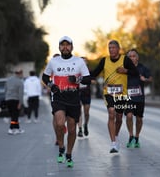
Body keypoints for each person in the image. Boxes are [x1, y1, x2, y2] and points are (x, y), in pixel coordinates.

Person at [42, 36, 91, 167]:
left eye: (67, 45)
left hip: (73, 98)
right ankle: (61, 147)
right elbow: (45, 76)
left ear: (71, 47)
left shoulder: (79, 61)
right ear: (59, 47)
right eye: (62, 45)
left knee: (72, 129)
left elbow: (87, 79)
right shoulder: (53, 61)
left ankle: (68, 154)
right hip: (59, 97)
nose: (65, 47)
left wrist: (76, 80)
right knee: (59, 123)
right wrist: (51, 85)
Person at [91, 40, 139, 153]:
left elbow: (136, 72)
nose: (111, 50)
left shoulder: (125, 60)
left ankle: (116, 135)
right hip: (109, 92)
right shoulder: (104, 60)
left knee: (119, 117)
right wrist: (83, 76)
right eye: (109, 48)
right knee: (111, 113)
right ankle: (113, 143)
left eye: (113, 48)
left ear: (118, 49)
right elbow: (95, 73)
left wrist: (125, 70)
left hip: (122, 94)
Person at [124, 49, 152, 148]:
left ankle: (137, 137)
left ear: (137, 58)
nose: (132, 58)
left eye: (133, 56)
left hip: (140, 98)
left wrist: (145, 79)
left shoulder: (143, 68)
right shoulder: (124, 68)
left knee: (139, 119)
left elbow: (150, 78)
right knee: (129, 116)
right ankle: (131, 136)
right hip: (128, 98)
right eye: (130, 56)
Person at [5, 69, 25, 135]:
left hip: (8, 99)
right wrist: (20, 103)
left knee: (14, 115)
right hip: (15, 100)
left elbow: (5, 89)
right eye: (22, 74)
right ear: (19, 74)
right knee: (14, 116)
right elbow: (21, 94)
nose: (22, 75)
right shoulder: (20, 82)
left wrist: (6, 98)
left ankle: (17, 129)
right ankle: (10, 129)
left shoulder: (8, 80)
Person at [77, 57, 91, 137]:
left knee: (86, 113)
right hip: (78, 93)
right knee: (79, 112)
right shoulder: (76, 72)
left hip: (87, 94)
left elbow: (93, 80)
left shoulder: (89, 72)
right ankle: (80, 129)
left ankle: (85, 125)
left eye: (84, 61)